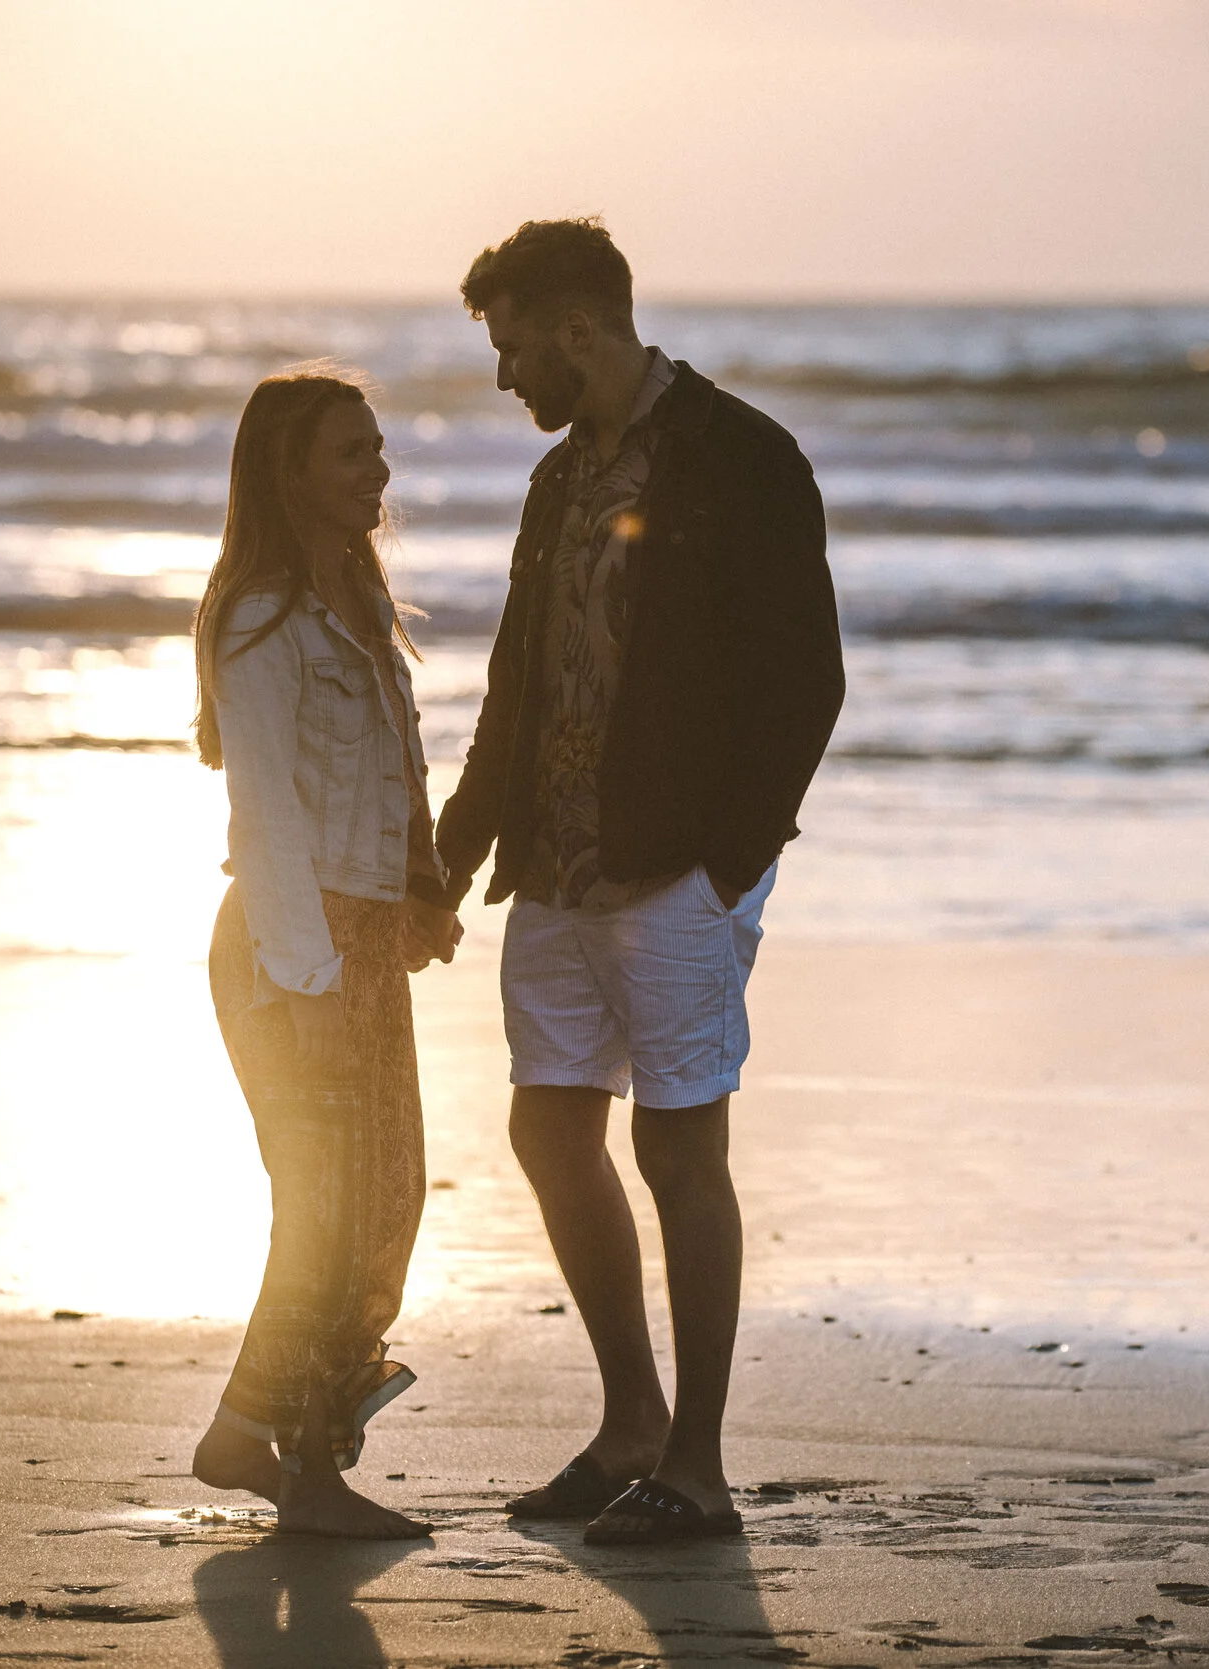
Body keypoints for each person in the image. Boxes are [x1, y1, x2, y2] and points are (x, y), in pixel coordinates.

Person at [435, 219, 844, 1545]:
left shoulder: (744, 459)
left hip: (676, 871)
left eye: (511, 349)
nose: (503, 378)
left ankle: (701, 1470)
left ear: (576, 329)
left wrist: (726, 861)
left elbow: (807, 682)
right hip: (550, 867)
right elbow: (518, 680)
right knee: (550, 1128)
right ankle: (628, 1426)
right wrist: (455, 849)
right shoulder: (560, 484)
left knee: (678, 1143)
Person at [185, 365, 462, 1539]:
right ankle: (286, 1456)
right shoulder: (258, 619)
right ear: (288, 472)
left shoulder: (354, 596)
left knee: (385, 1193)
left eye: (379, 447)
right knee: (327, 1204)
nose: (378, 469)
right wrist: (306, 979)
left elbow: (394, 771)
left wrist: (422, 889)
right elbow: (270, 819)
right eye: (352, 452)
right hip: (286, 947)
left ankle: (277, 1435)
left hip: (356, 939)